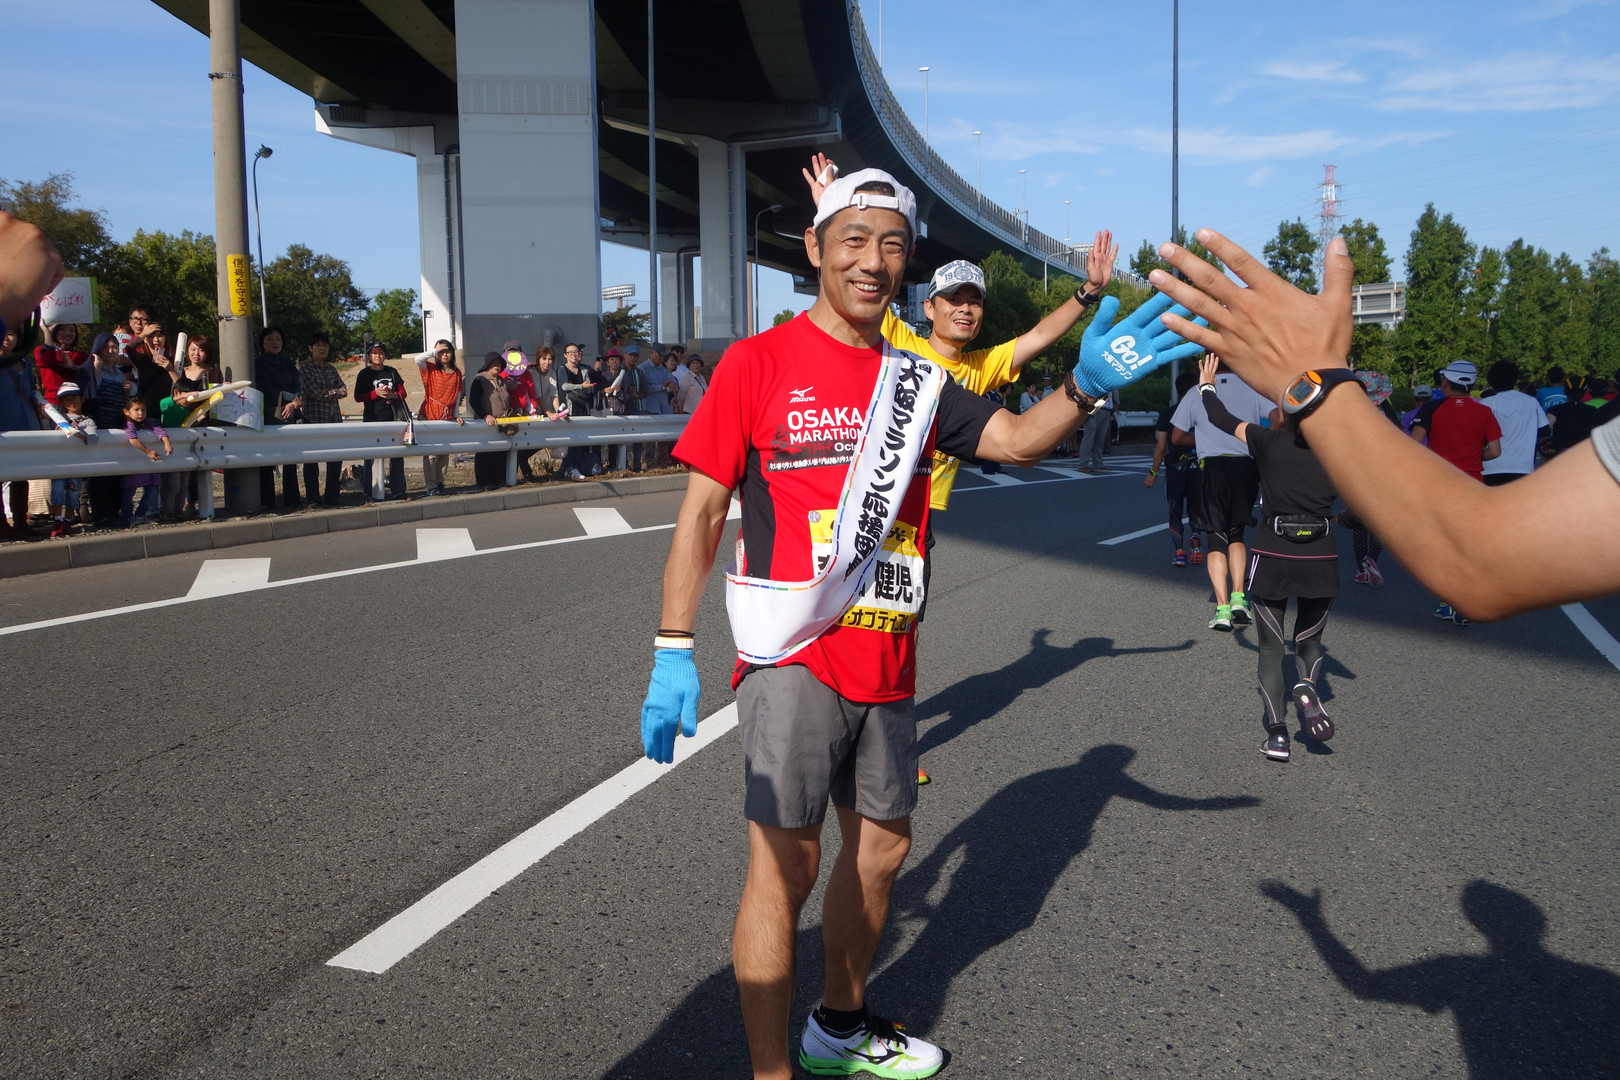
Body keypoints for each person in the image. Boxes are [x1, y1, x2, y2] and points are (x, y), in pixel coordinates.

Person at [637, 167, 1199, 1080]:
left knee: (884, 850)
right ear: (816, 248)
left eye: (891, 245)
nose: (873, 261)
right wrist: (672, 646)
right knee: (786, 866)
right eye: (853, 241)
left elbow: (1014, 441)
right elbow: (702, 513)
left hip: (889, 655)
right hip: (794, 651)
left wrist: (1087, 386)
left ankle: (839, 1027)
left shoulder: (917, 381)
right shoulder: (757, 364)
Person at [1149, 228, 1620, 622]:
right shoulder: (1486, 411)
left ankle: (1270, 589)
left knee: (1232, 536)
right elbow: (1483, 550)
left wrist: (1310, 379)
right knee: (1248, 533)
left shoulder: (1436, 413)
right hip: (1467, 486)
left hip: (1434, 485)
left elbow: (1478, 560)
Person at [1194, 354, 1340, 763]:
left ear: (1287, 414)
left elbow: (1221, 419)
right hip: (1322, 554)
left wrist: (1207, 385)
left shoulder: (1267, 441)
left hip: (1274, 552)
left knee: (1271, 650)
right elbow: (1369, 505)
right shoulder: (1337, 453)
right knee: (1309, 640)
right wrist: (1340, 520)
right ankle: (1307, 685)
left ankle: (1277, 736)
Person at [1170, 356, 1273, 631]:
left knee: (1216, 540)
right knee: (1237, 533)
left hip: (1211, 468)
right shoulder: (1253, 388)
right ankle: (1239, 597)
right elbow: (1277, 419)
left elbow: (1177, 437)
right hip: (1246, 467)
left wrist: (1204, 437)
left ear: (1208, 363)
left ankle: (1223, 608)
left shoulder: (1196, 391)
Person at [1145, 371, 1203, 566]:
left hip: (1175, 469)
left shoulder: (1167, 414)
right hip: (1199, 467)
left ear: (1178, 391)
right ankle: (1196, 538)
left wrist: (1153, 472)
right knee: (1195, 509)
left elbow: (1161, 448)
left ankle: (1180, 553)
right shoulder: (1204, 411)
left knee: (1175, 511)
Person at [80, 331, 131, 527]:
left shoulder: (119, 373)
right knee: (99, 472)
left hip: (116, 424)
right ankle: (100, 512)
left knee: (117, 471)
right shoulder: (90, 368)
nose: (111, 351)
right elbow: (87, 393)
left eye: (114, 347)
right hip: (98, 424)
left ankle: (114, 510)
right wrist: (95, 369)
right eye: (106, 347)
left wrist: (127, 390)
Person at [254, 324, 304, 509]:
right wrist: (290, 399)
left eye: (278, 339)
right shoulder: (258, 362)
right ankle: (267, 500)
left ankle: (292, 498)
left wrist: (293, 403)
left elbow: (296, 384)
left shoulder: (287, 362)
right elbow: (265, 388)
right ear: (262, 343)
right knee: (267, 458)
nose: (274, 342)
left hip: (290, 411)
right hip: (268, 412)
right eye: (270, 339)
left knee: (291, 457)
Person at [298, 330, 349, 505]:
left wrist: (329, 392)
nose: (322, 348)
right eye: (318, 345)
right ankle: (313, 497)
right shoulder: (304, 367)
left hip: (334, 420)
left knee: (335, 459)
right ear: (310, 348)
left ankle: (332, 496)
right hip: (313, 419)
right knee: (311, 461)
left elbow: (344, 390)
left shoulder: (331, 368)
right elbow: (314, 392)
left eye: (325, 345)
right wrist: (334, 392)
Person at [1481, 360, 1549, 487]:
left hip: (1492, 468)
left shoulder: (1487, 402)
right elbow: (1545, 429)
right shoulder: (1531, 402)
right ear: (1515, 379)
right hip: (1523, 468)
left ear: (1491, 381)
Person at [354, 341, 408, 500]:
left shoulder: (392, 371)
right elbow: (358, 397)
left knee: (396, 455)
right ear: (369, 356)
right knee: (371, 456)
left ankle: (398, 490)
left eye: (381, 352)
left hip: (393, 419)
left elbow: (403, 393)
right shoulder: (364, 374)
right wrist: (375, 394)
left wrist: (393, 395)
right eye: (374, 353)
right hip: (372, 419)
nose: (378, 356)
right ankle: (370, 490)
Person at [0, 335, 40, 539]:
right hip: (3, 422)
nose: (9, 338)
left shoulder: (25, 362)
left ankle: (20, 521)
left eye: (13, 333)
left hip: (25, 421)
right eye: (4, 333)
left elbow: (32, 390)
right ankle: (1, 523)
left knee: (21, 475)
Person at [46, 382, 97, 537]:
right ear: (62, 403)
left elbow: (93, 439)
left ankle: (68, 521)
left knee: (73, 492)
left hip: (76, 463)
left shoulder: (87, 421)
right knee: (57, 490)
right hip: (59, 463)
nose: (71, 402)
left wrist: (78, 432)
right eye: (67, 400)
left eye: (74, 398)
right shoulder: (57, 419)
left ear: (82, 398)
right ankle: (57, 520)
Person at [416, 339, 464, 496]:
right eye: (441, 352)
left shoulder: (456, 373)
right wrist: (434, 351)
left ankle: (440, 482)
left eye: (447, 350)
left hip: (447, 415)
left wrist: (456, 414)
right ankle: (431, 486)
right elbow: (418, 359)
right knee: (431, 453)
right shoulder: (430, 369)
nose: (444, 354)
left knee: (444, 452)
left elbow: (457, 395)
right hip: (430, 413)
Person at [121, 396, 171, 526]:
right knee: (129, 492)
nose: (140, 413)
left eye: (143, 410)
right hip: (133, 463)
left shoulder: (148, 422)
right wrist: (148, 451)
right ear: (126, 411)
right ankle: (127, 516)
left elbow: (158, 430)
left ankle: (140, 515)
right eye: (136, 410)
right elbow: (132, 439)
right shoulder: (128, 424)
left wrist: (166, 442)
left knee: (152, 490)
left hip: (149, 464)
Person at [467, 352, 510, 489]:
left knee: (500, 452)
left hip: (502, 423)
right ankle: (484, 481)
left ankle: (499, 479)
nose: (496, 366)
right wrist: (485, 415)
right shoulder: (480, 379)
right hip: (485, 422)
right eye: (493, 363)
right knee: (485, 452)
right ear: (487, 364)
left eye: (498, 363)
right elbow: (473, 401)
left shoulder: (502, 381)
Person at [558, 343, 599, 479]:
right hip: (569, 409)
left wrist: (580, 386)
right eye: (570, 352)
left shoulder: (584, 370)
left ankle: (574, 467)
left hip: (582, 408)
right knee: (570, 440)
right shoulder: (562, 369)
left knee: (579, 441)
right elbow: (564, 386)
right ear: (565, 355)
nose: (574, 354)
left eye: (576, 352)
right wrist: (580, 386)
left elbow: (589, 388)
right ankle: (568, 467)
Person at [34, 323, 86, 405]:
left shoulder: (81, 356)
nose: (67, 333)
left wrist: (74, 367)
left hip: (75, 404)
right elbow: (48, 360)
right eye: (62, 329)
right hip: (54, 403)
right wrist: (47, 332)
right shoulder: (41, 351)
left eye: (72, 330)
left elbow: (90, 375)